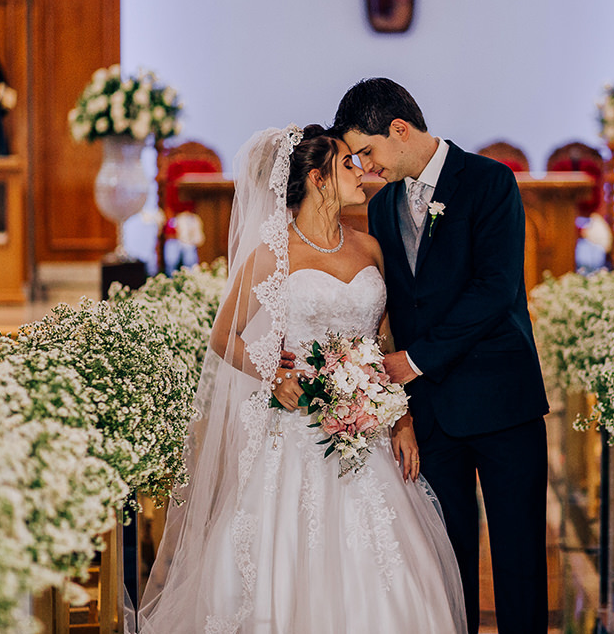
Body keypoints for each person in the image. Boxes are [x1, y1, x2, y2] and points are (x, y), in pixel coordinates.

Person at [136, 124, 467, 633]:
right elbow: (224, 336)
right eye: (347, 164)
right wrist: (272, 375)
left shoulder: (370, 247)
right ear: (318, 178)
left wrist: (401, 421)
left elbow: (384, 343)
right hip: (297, 433)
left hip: (368, 433)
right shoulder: (272, 254)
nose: (362, 171)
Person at [331, 78, 550, 634]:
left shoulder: (489, 181)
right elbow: (394, 303)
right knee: (446, 563)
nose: (365, 167)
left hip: (502, 402)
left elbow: (494, 290)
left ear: (399, 129)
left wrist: (415, 360)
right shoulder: (383, 207)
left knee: (519, 559)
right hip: (432, 415)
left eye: (367, 152)